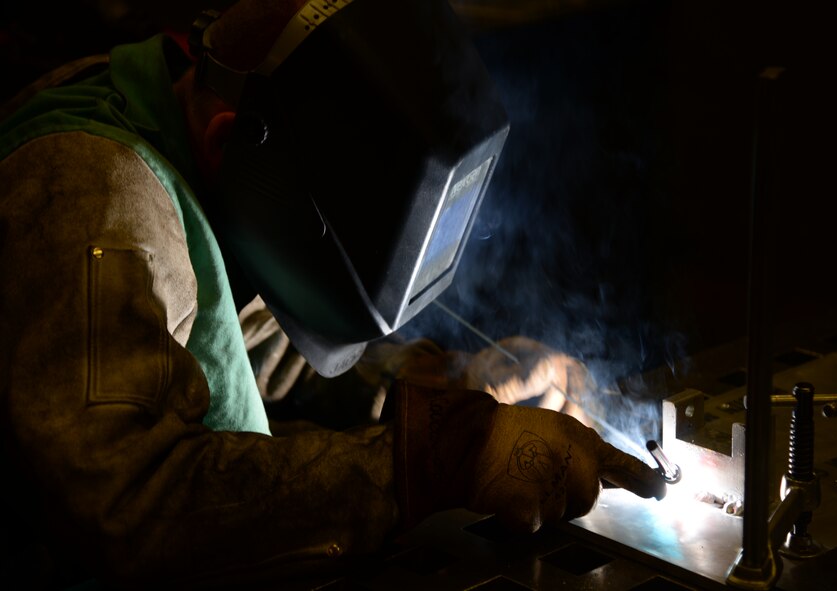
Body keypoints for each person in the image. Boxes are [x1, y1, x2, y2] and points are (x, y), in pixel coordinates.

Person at [0, 0, 665, 587]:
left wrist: (441, 386)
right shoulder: (96, 199)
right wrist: (434, 460)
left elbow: (235, 337)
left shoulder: (185, 116)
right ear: (231, 141)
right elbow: (132, 508)